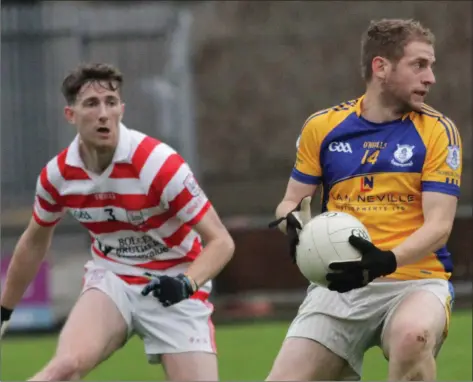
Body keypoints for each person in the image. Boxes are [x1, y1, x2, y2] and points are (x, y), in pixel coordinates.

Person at [0, 63, 235, 381]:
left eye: (110, 102)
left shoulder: (157, 164)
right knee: (65, 367)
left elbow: (221, 241)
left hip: (176, 284)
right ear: (71, 115)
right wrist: (4, 310)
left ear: (121, 109)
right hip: (114, 279)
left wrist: (185, 283)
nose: (103, 114)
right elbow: (34, 240)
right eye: (91, 104)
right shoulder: (58, 175)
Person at [267, 18, 462, 381]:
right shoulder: (322, 127)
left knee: (412, 337)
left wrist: (385, 260)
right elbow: (291, 203)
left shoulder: (438, 131)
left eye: (431, 65)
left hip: (416, 281)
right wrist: (291, 224)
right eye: (419, 64)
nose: (431, 77)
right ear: (381, 67)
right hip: (339, 285)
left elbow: (440, 226)